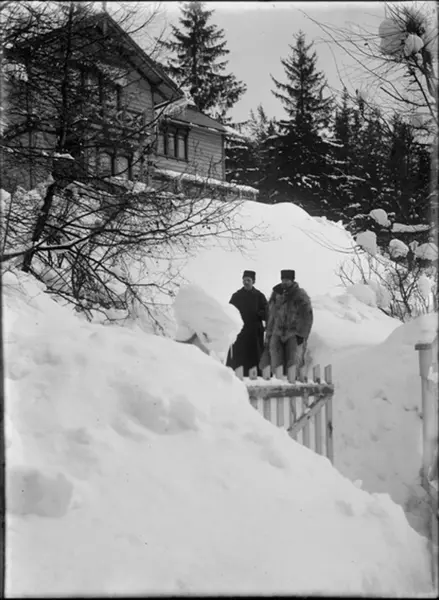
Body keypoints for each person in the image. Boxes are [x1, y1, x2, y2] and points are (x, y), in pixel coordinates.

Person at [260, 269, 313, 375]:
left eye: (287, 280)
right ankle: (278, 381)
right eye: (283, 279)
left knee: (293, 362)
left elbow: (307, 316)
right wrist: (269, 333)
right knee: (275, 362)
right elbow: (271, 314)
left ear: (292, 280)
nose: (284, 282)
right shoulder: (276, 294)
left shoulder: (300, 295)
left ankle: (292, 381)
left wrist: (301, 334)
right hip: (276, 332)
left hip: (293, 333)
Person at [226, 270, 268, 376]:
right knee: (240, 354)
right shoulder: (237, 296)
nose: (246, 282)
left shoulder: (259, 296)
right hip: (241, 331)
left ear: (253, 281)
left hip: (255, 332)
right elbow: (230, 311)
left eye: (248, 280)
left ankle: (257, 375)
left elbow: (268, 312)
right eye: (244, 280)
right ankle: (239, 375)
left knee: (255, 354)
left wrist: (261, 313)